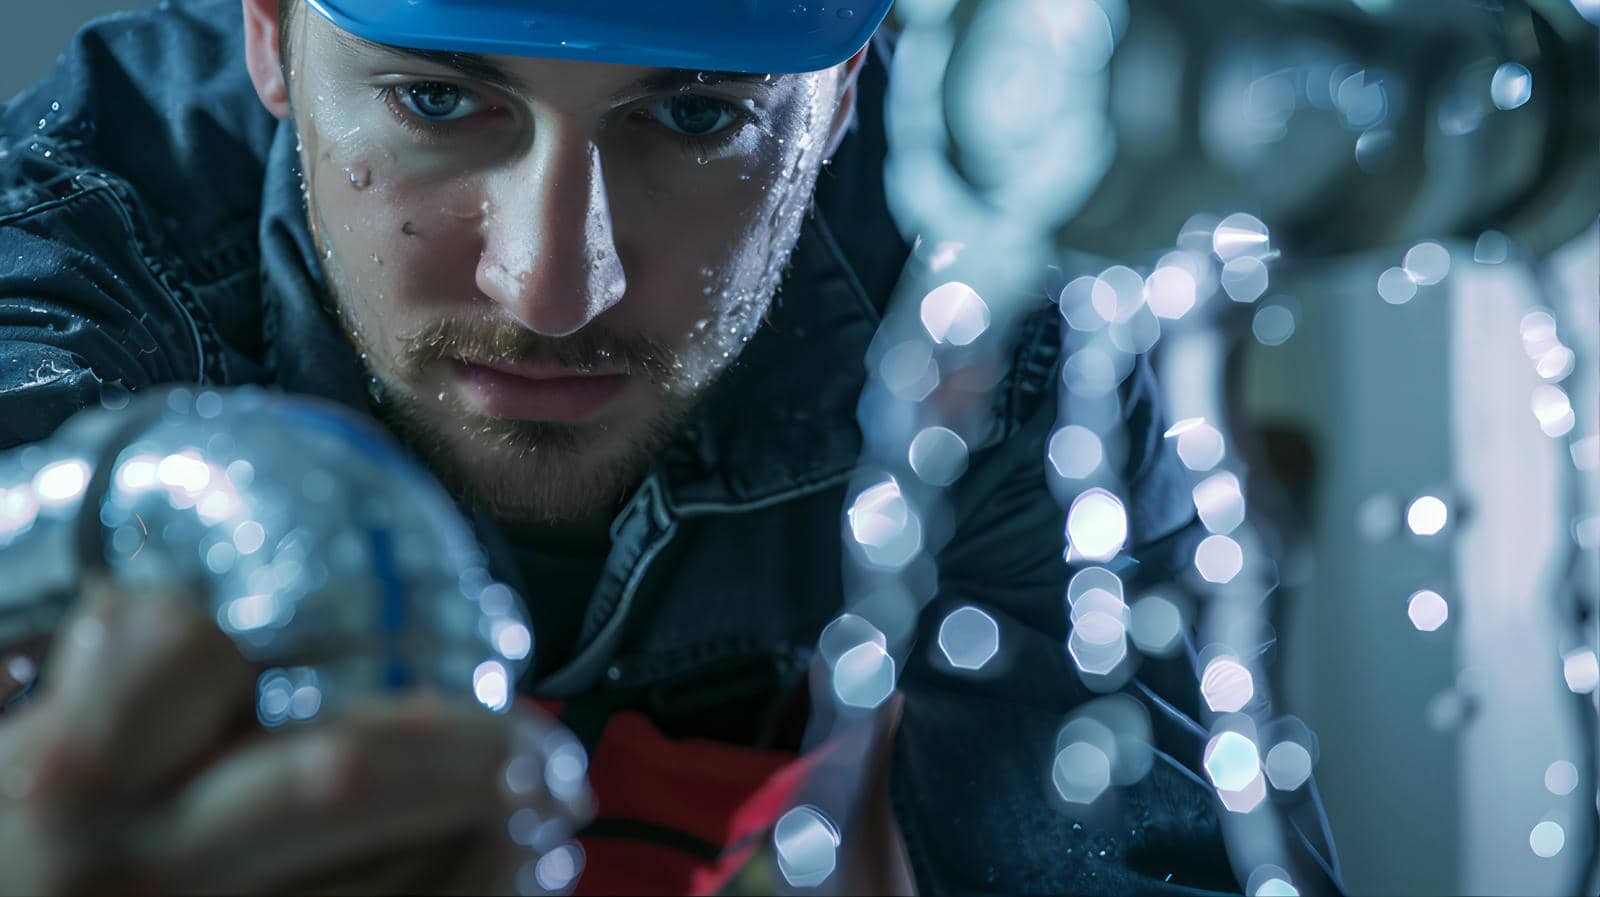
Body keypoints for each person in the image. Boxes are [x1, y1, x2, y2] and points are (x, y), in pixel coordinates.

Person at [0, 0, 1344, 894]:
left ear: (838, 100)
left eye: (696, 118)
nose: (549, 286)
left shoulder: (1010, 324)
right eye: (436, 105)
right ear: (273, 40)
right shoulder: (86, 245)